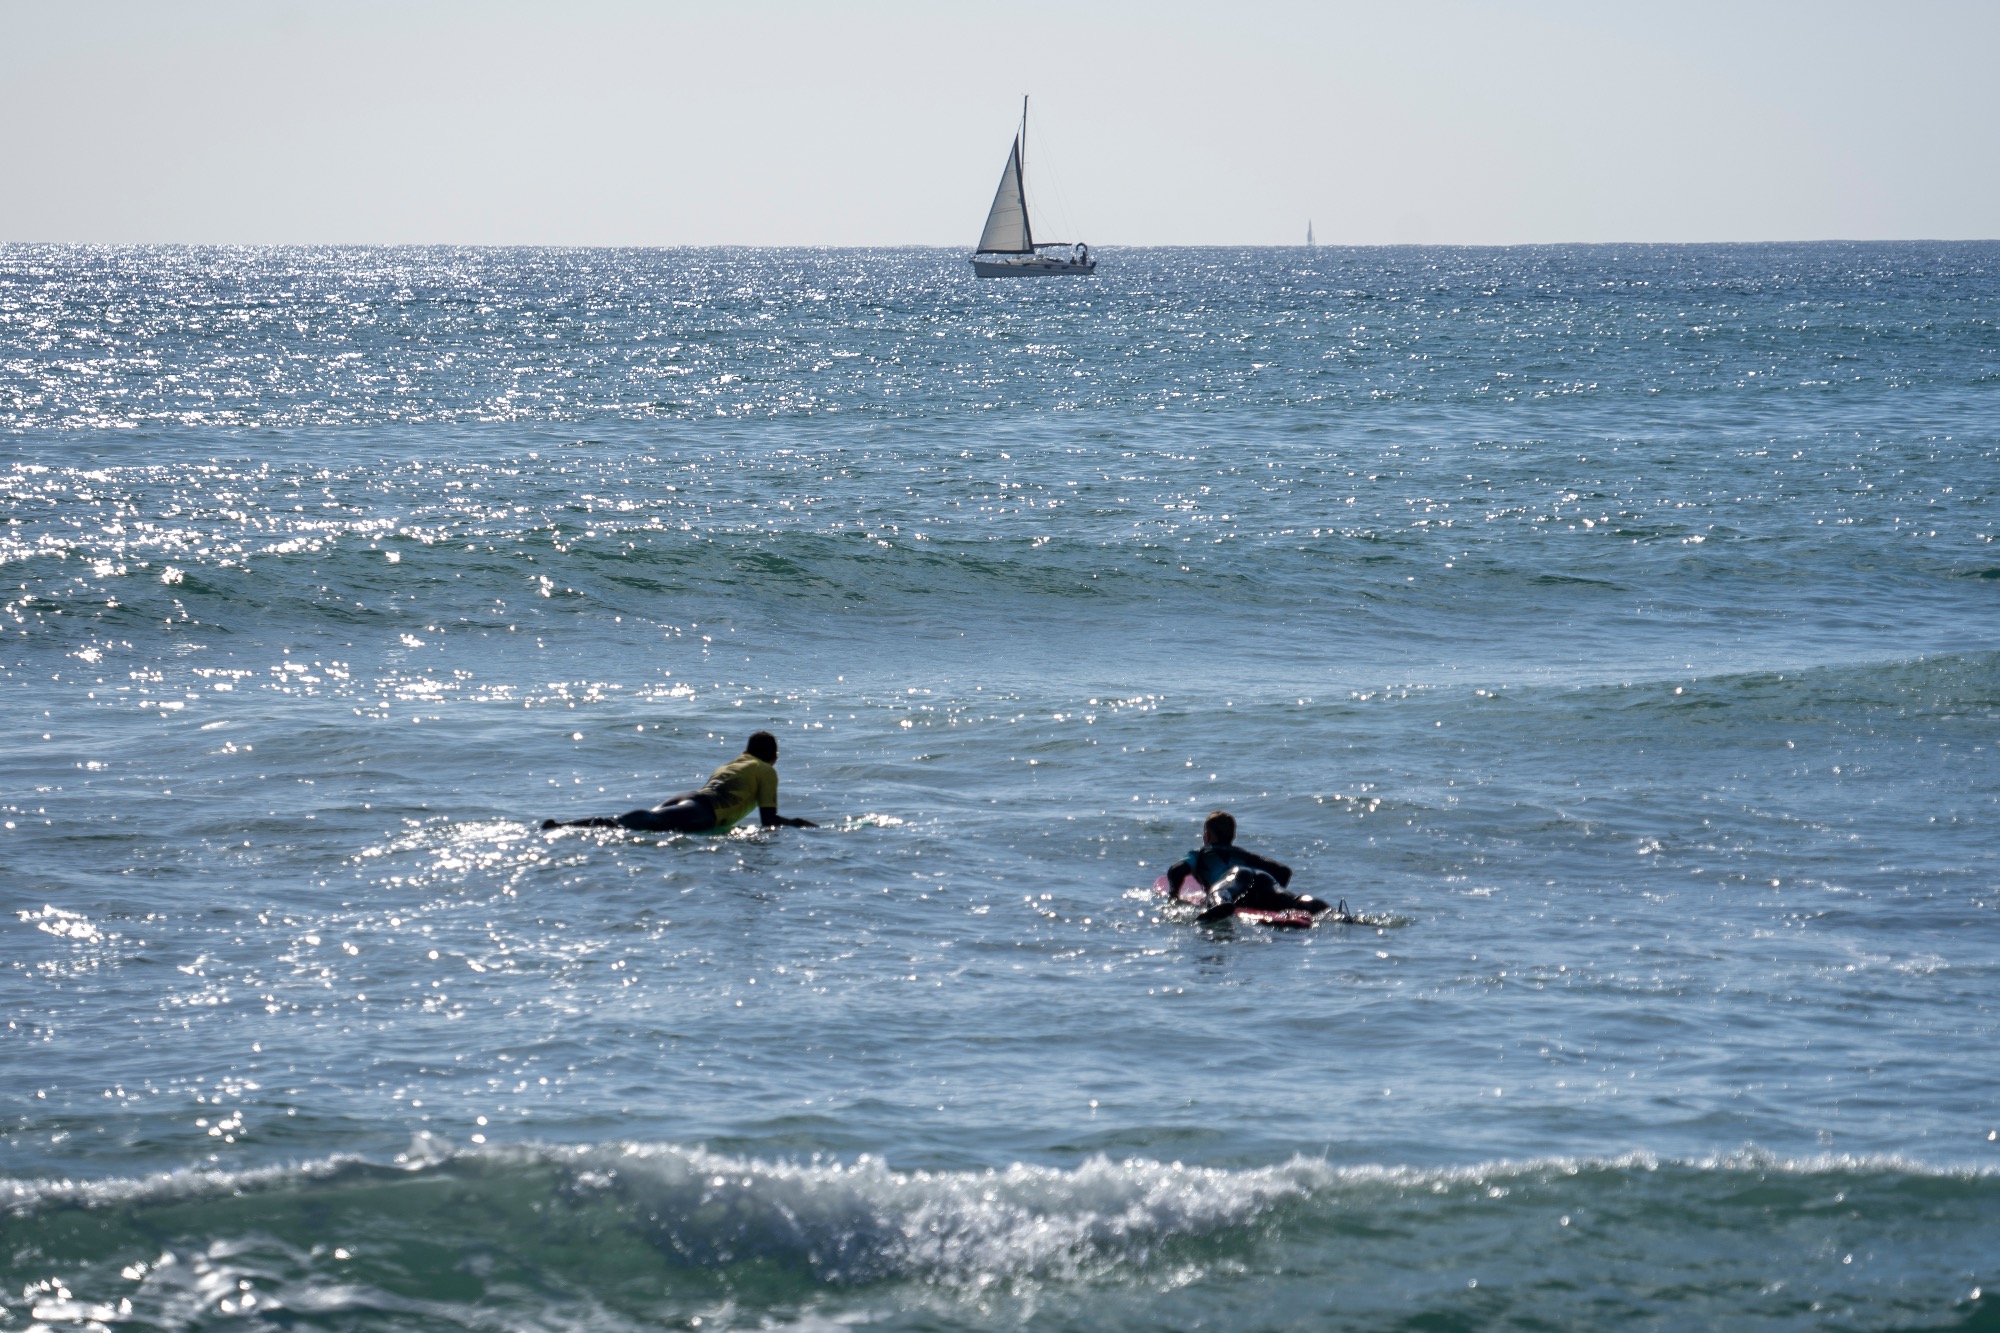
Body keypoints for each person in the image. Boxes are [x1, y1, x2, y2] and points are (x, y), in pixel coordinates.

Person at [542, 730, 818, 834]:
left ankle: (568, 826)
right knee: (626, 824)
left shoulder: (734, 763)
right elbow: (768, 821)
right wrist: (799, 825)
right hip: (704, 810)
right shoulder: (766, 770)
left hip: (690, 799)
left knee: (644, 824)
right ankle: (563, 827)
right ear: (774, 757)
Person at [1166, 810, 1333, 920]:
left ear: (1207, 836)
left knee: (1221, 891)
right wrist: (1266, 897)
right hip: (1263, 878)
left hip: (1235, 877)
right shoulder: (1243, 854)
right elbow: (1284, 872)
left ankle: (1221, 904)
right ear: (1233, 836)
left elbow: (1176, 870)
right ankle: (1329, 911)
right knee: (1293, 901)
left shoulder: (1200, 854)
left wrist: (1174, 896)